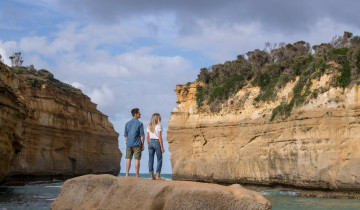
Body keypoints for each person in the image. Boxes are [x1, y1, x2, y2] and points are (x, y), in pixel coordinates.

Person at [124, 108, 145, 177]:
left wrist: (127, 143)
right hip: (137, 144)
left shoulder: (127, 123)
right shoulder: (140, 123)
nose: (140, 114)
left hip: (129, 144)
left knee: (128, 159)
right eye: (139, 113)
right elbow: (142, 135)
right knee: (137, 159)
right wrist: (142, 145)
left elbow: (125, 135)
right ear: (136, 114)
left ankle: (127, 174)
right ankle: (137, 175)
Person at [147, 113, 165, 180]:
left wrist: (148, 144)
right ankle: (157, 176)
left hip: (150, 142)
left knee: (150, 160)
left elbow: (147, 137)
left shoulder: (149, 126)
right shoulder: (158, 126)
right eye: (159, 117)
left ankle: (152, 176)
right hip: (157, 142)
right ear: (157, 118)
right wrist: (162, 147)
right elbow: (160, 137)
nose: (160, 118)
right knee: (159, 159)